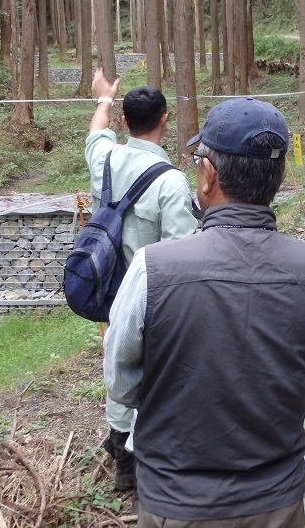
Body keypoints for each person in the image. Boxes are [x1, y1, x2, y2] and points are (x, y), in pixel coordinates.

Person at [104, 97, 305, 527]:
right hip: (277, 500)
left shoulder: (152, 267)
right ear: (280, 177)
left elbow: (121, 384)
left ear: (208, 175)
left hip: (175, 501)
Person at [86, 68, 199, 492]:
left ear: (124, 121)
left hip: (109, 289)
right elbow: (182, 251)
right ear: (165, 119)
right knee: (154, 370)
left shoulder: (106, 159)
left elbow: (96, 133)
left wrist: (104, 97)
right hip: (153, 296)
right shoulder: (170, 181)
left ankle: (122, 454)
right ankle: (145, 454)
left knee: (117, 364)